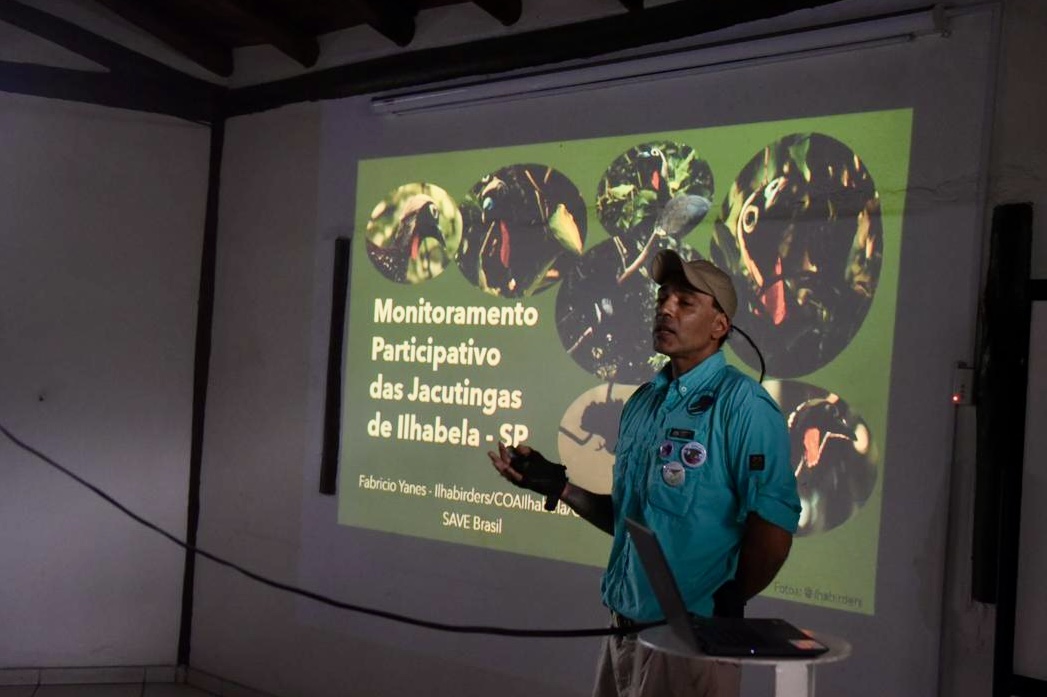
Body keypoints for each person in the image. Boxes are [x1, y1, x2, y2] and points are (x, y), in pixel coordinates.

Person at [488, 249, 801, 697]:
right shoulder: (642, 403)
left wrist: (727, 604)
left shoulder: (744, 406)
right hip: (622, 629)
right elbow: (634, 521)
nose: (666, 309)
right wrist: (559, 486)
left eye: (685, 302)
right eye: (663, 298)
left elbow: (774, 528)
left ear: (719, 326)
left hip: (692, 641)